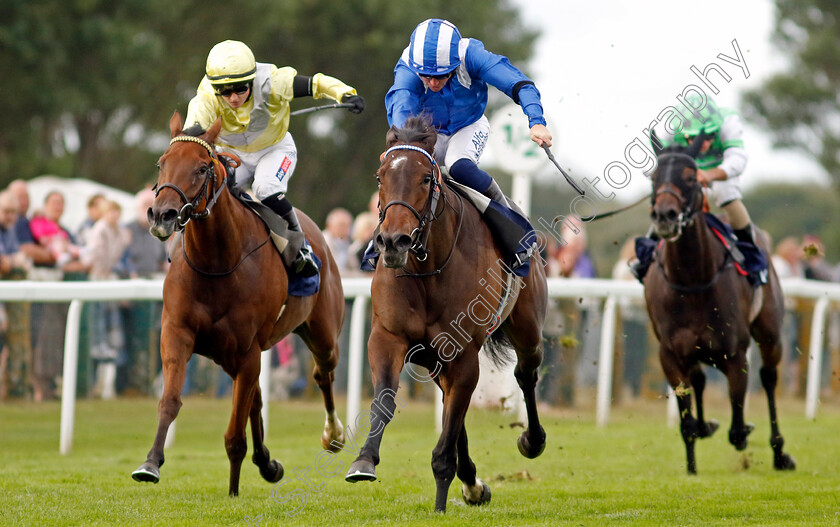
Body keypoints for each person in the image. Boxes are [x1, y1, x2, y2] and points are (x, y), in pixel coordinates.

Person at [183, 40, 365, 278]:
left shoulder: (272, 81)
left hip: (275, 150)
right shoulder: (207, 93)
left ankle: (300, 249)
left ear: (252, 80)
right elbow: (191, 131)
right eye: (225, 92)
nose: (233, 97)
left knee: (266, 188)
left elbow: (315, 84)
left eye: (240, 88)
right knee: (210, 189)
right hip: (232, 153)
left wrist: (344, 93)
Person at [384, 18, 552, 271]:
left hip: (469, 125)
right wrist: (399, 147)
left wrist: (536, 121)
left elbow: (519, 84)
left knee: (458, 166)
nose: (432, 82)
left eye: (440, 75)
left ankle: (511, 227)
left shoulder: (471, 55)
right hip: (426, 132)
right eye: (426, 76)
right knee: (403, 170)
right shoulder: (408, 66)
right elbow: (402, 109)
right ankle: (379, 243)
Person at [632, 94, 768, 286]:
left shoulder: (728, 121)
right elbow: (646, 162)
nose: (703, 144)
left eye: (709, 135)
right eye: (692, 138)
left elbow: (738, 160)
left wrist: (709, 175)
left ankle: (751, 253)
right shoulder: (670, 127)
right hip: (684, 171)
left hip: (719, 169)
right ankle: (648, 254)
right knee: (667, 200)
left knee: (725, 194)